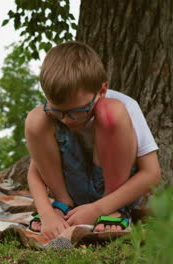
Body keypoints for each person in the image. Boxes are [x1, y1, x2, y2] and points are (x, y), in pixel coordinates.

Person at [25, 41, 161, 240]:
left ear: (102, 90)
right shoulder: (51, 114)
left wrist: (100, 207)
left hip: (115, 194)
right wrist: (46, 213)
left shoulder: (126, 106)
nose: (66, 120)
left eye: (77, 111)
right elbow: (35, 172)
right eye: (58, 111)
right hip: (71, 191)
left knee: (110, 112)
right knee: (35, 119)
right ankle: (63, 205)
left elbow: (152, 174)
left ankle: (113, 210)